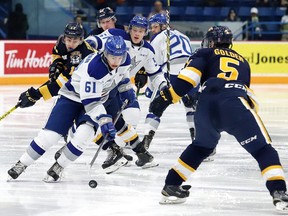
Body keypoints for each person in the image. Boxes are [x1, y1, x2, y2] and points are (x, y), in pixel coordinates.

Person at [149, 25, 288, 212]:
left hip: (205, 107)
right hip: (234, 106)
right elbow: (245, 91)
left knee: (200, 147)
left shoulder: (204, 53)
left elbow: (187, 80)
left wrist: (166, 99)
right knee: (263, 149)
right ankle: (278, 192)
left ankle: (171, 185)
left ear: (211, 41)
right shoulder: (243, 61)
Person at [7, 35, 153, 182]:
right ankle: (22, 163)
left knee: (85, 135)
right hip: (72, 98)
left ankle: (59, 166)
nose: (116, 61)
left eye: (119, 57)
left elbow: (122, 76)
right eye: (112, 57)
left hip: (96, 99)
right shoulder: (95, 69)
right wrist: (104, 119)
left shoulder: (125, 59)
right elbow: (91, 102)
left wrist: (126, 89)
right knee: (50, 136)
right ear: (105, 53)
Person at [85, 15, 167, 167]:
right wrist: (90, 42)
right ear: (129, 29)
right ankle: (114, 150)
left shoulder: (148, 50)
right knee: (94, 122)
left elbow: (155, 73)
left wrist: (163, 86)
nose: (137, 33)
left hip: (123, 83)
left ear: (146, 32)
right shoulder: (116, 35)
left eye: (141, 31)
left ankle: (120, 149)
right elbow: (98, 40)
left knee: (132, 116)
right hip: (104, 83)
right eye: (134, 30)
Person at [141, 13, 197, 150]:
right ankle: (200, 144)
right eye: (152, 27)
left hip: (170, 72)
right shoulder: (184, 36)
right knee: (192, 109)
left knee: (155, 108)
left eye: (155, 27)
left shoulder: (156, 40)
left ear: (163, 26)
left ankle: (145, 145)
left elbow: (155, 68)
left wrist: (150, 89)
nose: (153, 30)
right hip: (191, 73)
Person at [17, 22, 95, 108]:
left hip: (97, 87)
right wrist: (57, 64)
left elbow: (62, 83)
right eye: (69, 40)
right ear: (64, 38)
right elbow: (56, 52)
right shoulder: (61, 42)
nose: (71, 44)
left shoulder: (80, 54)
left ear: (81, 40)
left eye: (75, 41)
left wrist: (37, 94)